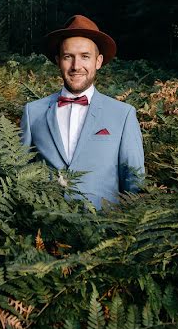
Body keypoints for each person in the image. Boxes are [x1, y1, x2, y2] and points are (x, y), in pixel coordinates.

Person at [20, 15, 144, 208]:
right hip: (44, 232)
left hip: (104, 231)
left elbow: (134, 182)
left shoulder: (123, 115)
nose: (76, 66)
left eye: (85, 56)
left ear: (98, 61)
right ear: (58, 61)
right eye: (68, 56)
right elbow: (18, 174)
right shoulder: (32, 112)